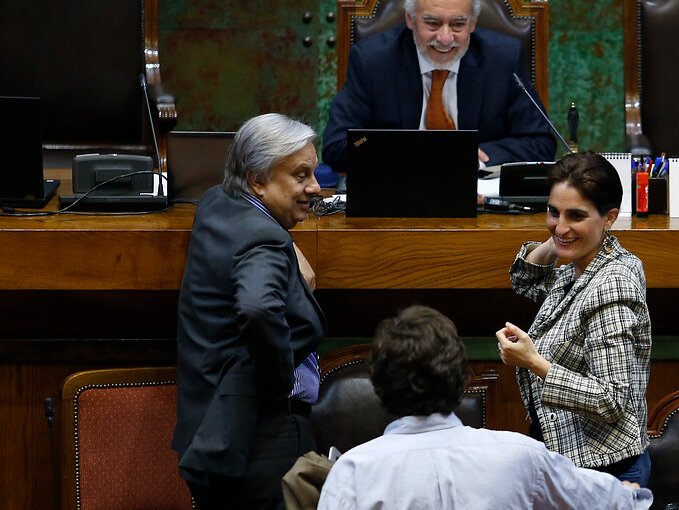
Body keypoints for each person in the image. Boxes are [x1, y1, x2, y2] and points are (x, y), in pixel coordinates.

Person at [318, 305, 653, 510]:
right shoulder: (519, 455)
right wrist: (628, 495)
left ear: (380, 386)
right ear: (462, 379)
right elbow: (614, 501)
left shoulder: (353, 471)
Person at [171, 113, 327, 509]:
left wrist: (286, 243)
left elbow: (252, 222)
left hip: (211, 434)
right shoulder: (263, 241)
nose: (316, 187)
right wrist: (278, 382)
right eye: (300, 175)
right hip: (261, 441)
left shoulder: (216, 203)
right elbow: (257, 308)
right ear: (257, 179)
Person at [496, 151, 653, 486]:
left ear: (609, 218)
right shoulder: (591, 260)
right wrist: (561, 237)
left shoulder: (611, 284)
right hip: (571, 460)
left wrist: (533, 362)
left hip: (604, 470)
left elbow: (611, 400)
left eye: (576, 215)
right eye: (554, 211)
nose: (561, 224)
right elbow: (525, 280)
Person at [322, 0, 557, 175]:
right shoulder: (372, 61)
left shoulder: (503, 58)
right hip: (398, 193)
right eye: (433, 23)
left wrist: (475, 157)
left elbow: (541, 142)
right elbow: (337, 146)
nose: (445, 38)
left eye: (458, 24)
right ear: (410, 20)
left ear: (472, 23)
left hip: (479, 197)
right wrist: (418, 155)